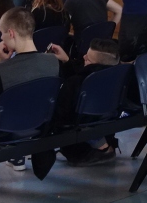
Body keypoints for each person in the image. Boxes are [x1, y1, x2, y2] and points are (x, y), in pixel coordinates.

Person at [0, 6, 62, 141]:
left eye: (2, 33)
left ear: (11, 33)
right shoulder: (54, 62)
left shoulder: (0, 70)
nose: (1, 37)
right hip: (36, 122)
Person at [45, 38, 120, 168]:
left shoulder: (75, 83)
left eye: (88, 59)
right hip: (104, 123)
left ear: (95, 64)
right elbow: (85, 75)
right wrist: (67, 61)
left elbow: (61, 116)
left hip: (77, 137)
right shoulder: (117, 78)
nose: (83, 57)